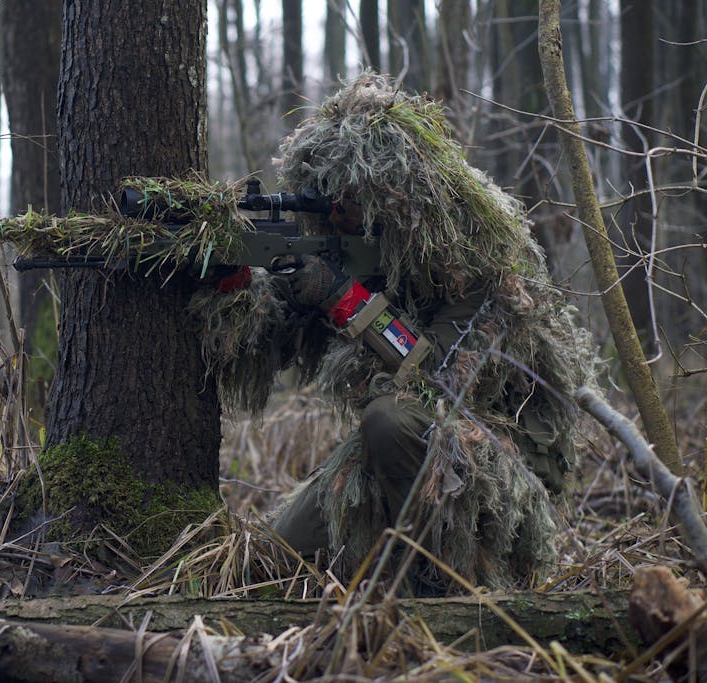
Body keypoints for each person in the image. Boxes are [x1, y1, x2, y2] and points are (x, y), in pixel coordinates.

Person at [191, 72, 599, 592]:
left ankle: (445, 590)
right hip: (387, 459)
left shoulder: (480, 263)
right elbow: (270, 341)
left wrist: (343, 297)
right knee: (266, 562)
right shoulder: (357, 249)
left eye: (352, 198)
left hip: (497, 474)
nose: (337, 213)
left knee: (390, 419)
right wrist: (235, 281)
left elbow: (436, 379)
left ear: (398, 197)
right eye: (329, 197)